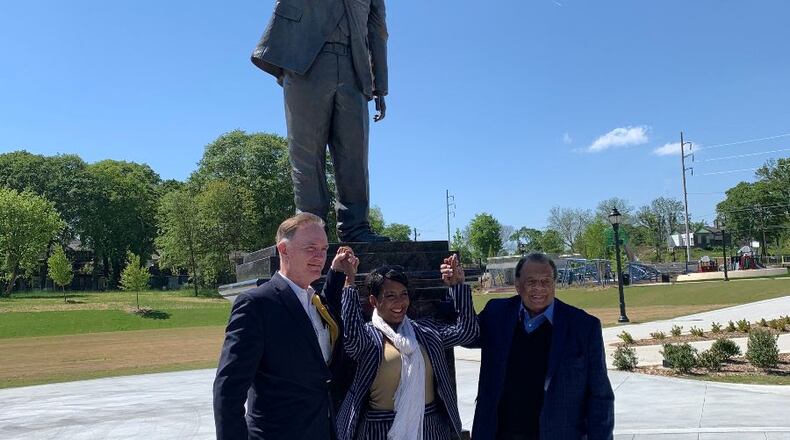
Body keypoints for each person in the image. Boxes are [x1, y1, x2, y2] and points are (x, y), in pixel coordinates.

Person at [250, 0, 390, 242]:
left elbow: (377, 29)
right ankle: (309, 229)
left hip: (354, 68)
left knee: (354, 155)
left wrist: (380, 86)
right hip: (306, 63)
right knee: (306, 152)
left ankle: (356, 228)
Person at [213, 213, 357, 440]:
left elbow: (320, 329)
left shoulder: (315, 302)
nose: (320, 256)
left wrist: (337, 273)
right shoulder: (257, 305)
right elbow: (228, 390)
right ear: (284, 249)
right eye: (310, 248)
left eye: (323, 249)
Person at [471, 252, 614, 440]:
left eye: (545, 281)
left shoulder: (583, 327)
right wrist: (456, 287)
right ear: (517, 284)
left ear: (554, 284)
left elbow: (600, 397)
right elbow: (468, 337)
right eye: (531, 282)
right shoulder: (497, 314)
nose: (539, 288)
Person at [336, 255, 479, 440]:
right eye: (390, 296)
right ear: (373, 301)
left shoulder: (425, 332)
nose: (399, 302)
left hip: (430, 428)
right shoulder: (368, 337)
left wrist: (458, 286)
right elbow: (352, 341)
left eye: (404, 294)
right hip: (380, 430)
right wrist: (349, 282)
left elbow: (467, 332)